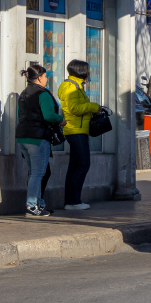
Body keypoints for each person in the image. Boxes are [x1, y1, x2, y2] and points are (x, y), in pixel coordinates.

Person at [16, 62, 63, 217]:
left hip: (23, 136)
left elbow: (19, 114)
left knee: (33, 172)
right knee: (38, 173)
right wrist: (61, 120)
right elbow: (49, 115)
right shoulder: (42, 94)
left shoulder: (24, 93)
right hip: (37, 137)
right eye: (45, 76)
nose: (46, 79)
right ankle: (31, 205)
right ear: (39, 77)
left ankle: (39, 203)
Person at [59, 59, 101, 211]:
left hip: (78, 130)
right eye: (87, 70)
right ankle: (73, 201)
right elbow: (74, 108)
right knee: (83, 164)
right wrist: (94, 107)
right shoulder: (71, 87)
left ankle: (71, 200)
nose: (89, 73)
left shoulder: (75, 85)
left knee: (75, 166)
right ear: (82, 71)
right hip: (75, 131)